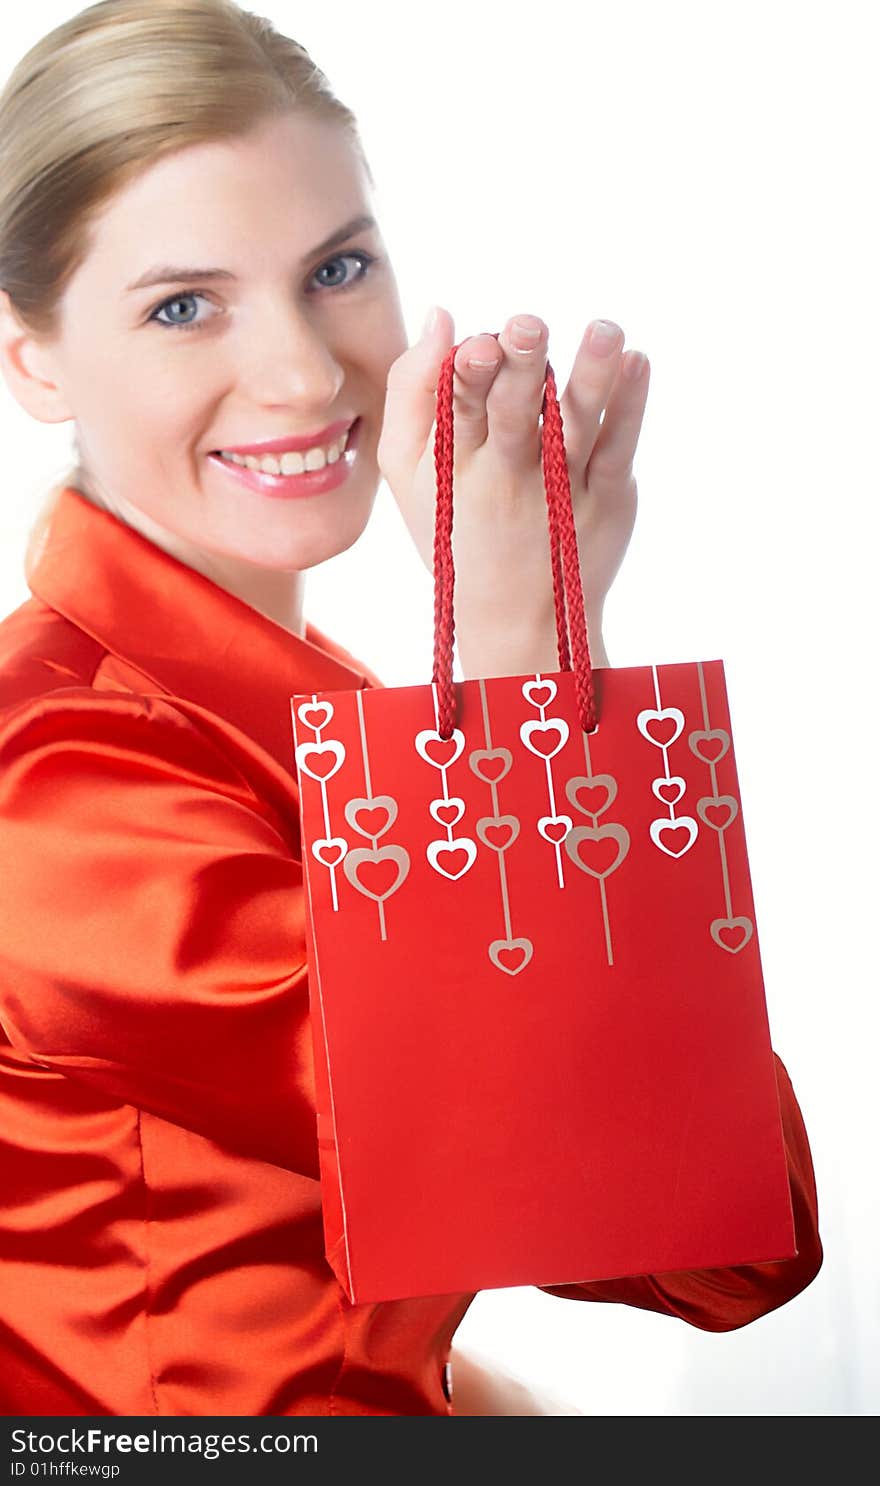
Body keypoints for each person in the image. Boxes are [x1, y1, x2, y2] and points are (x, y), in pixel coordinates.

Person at [0, 0, 822, 1418]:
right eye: (183, 303)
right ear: (32, 358)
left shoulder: (323, 718)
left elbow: (736, 1249)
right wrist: (524, 667)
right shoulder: (60, 777)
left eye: (337, 267)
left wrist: (546, 672)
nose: (309, 373)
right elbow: (706, 1231)